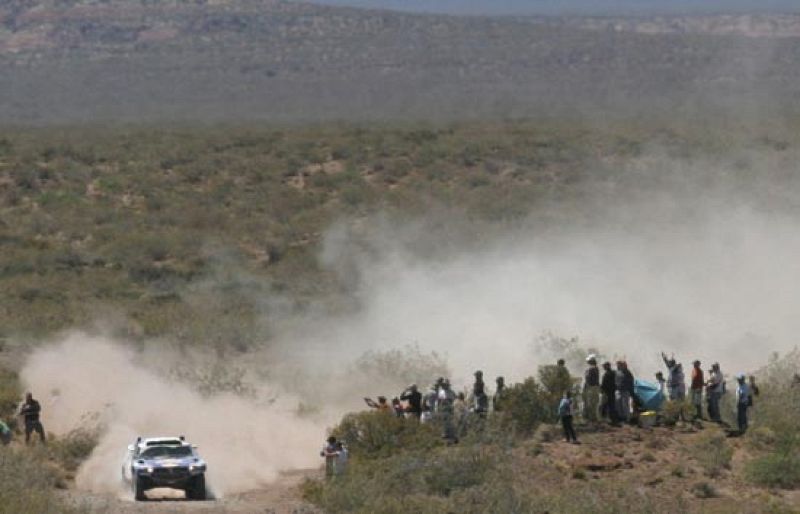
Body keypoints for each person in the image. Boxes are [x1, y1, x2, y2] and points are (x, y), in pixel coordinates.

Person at [583, 355, 600, 423]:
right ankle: (593, 417)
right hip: (593, 387)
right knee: (593, 403)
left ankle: (592, 418)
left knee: (592, 403)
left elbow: (588, 379)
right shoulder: (595, 368)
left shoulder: (592, 369)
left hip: (592, 387)